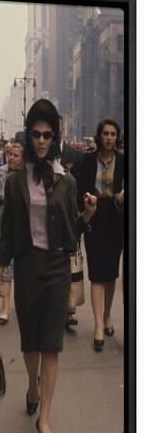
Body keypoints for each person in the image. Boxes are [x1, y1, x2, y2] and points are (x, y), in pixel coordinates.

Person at [0, 99, 97, 433]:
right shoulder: (17, 179)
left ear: (56, 136)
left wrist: (88, 216)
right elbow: (7, 232)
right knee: (29, 342)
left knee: (51, 343)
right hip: (28, 266)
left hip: (56, 268)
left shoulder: (67, 181)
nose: (41, 141)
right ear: (28, 135)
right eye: (36, 134)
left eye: (48, 134)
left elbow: (70, 231)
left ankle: (44, 417)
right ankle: (32, 387)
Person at [77, 118, 124, 352]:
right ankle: (97, 325)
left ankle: (107, 316)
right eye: (105, 133)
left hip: (116, 220)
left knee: (111, 274)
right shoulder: (87, 161)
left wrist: (122, 195)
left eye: (113, 134)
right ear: (99, 136)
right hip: (94, 216)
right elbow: (77, 189)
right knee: (96, 273)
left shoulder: (125, 162)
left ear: (117, 137)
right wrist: (86, 203)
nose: (109, 138)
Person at [0, 141, 23, 324]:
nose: (12, 158)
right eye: (10, 155)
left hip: (23, 225)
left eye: (16, 155)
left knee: (23, 265)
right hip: (2, 223)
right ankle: (5, 307)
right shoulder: (1, 172)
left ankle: (23, 304)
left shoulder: (27, 175)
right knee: (5, 265)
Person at [58, 115, 84, 329]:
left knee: (70, 266)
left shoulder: (74, 154)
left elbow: (82, 187)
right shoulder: (40, 155)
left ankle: (69, 310)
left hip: (70, 220)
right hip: (45, 223)